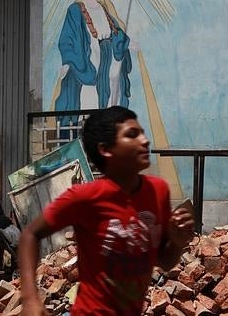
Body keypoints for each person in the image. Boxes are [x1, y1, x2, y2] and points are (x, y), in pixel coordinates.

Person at [19, 106, 194, 315]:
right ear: (106, 150)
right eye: (132, 135)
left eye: (142, 133)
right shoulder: (86, 197)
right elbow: (30, 234)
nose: (145, 140)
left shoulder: (158, 192)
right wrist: (30, 299)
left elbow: (164, 260)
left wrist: (177, 242)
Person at [55, 0, 134, 128]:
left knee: (107, 116)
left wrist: (126, 42)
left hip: (106, 68)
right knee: (86, 114)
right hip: (87, 68)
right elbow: (67, 39)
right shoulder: (75, 10)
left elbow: (116, 33)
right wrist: (68, 61)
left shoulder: (104, 10)